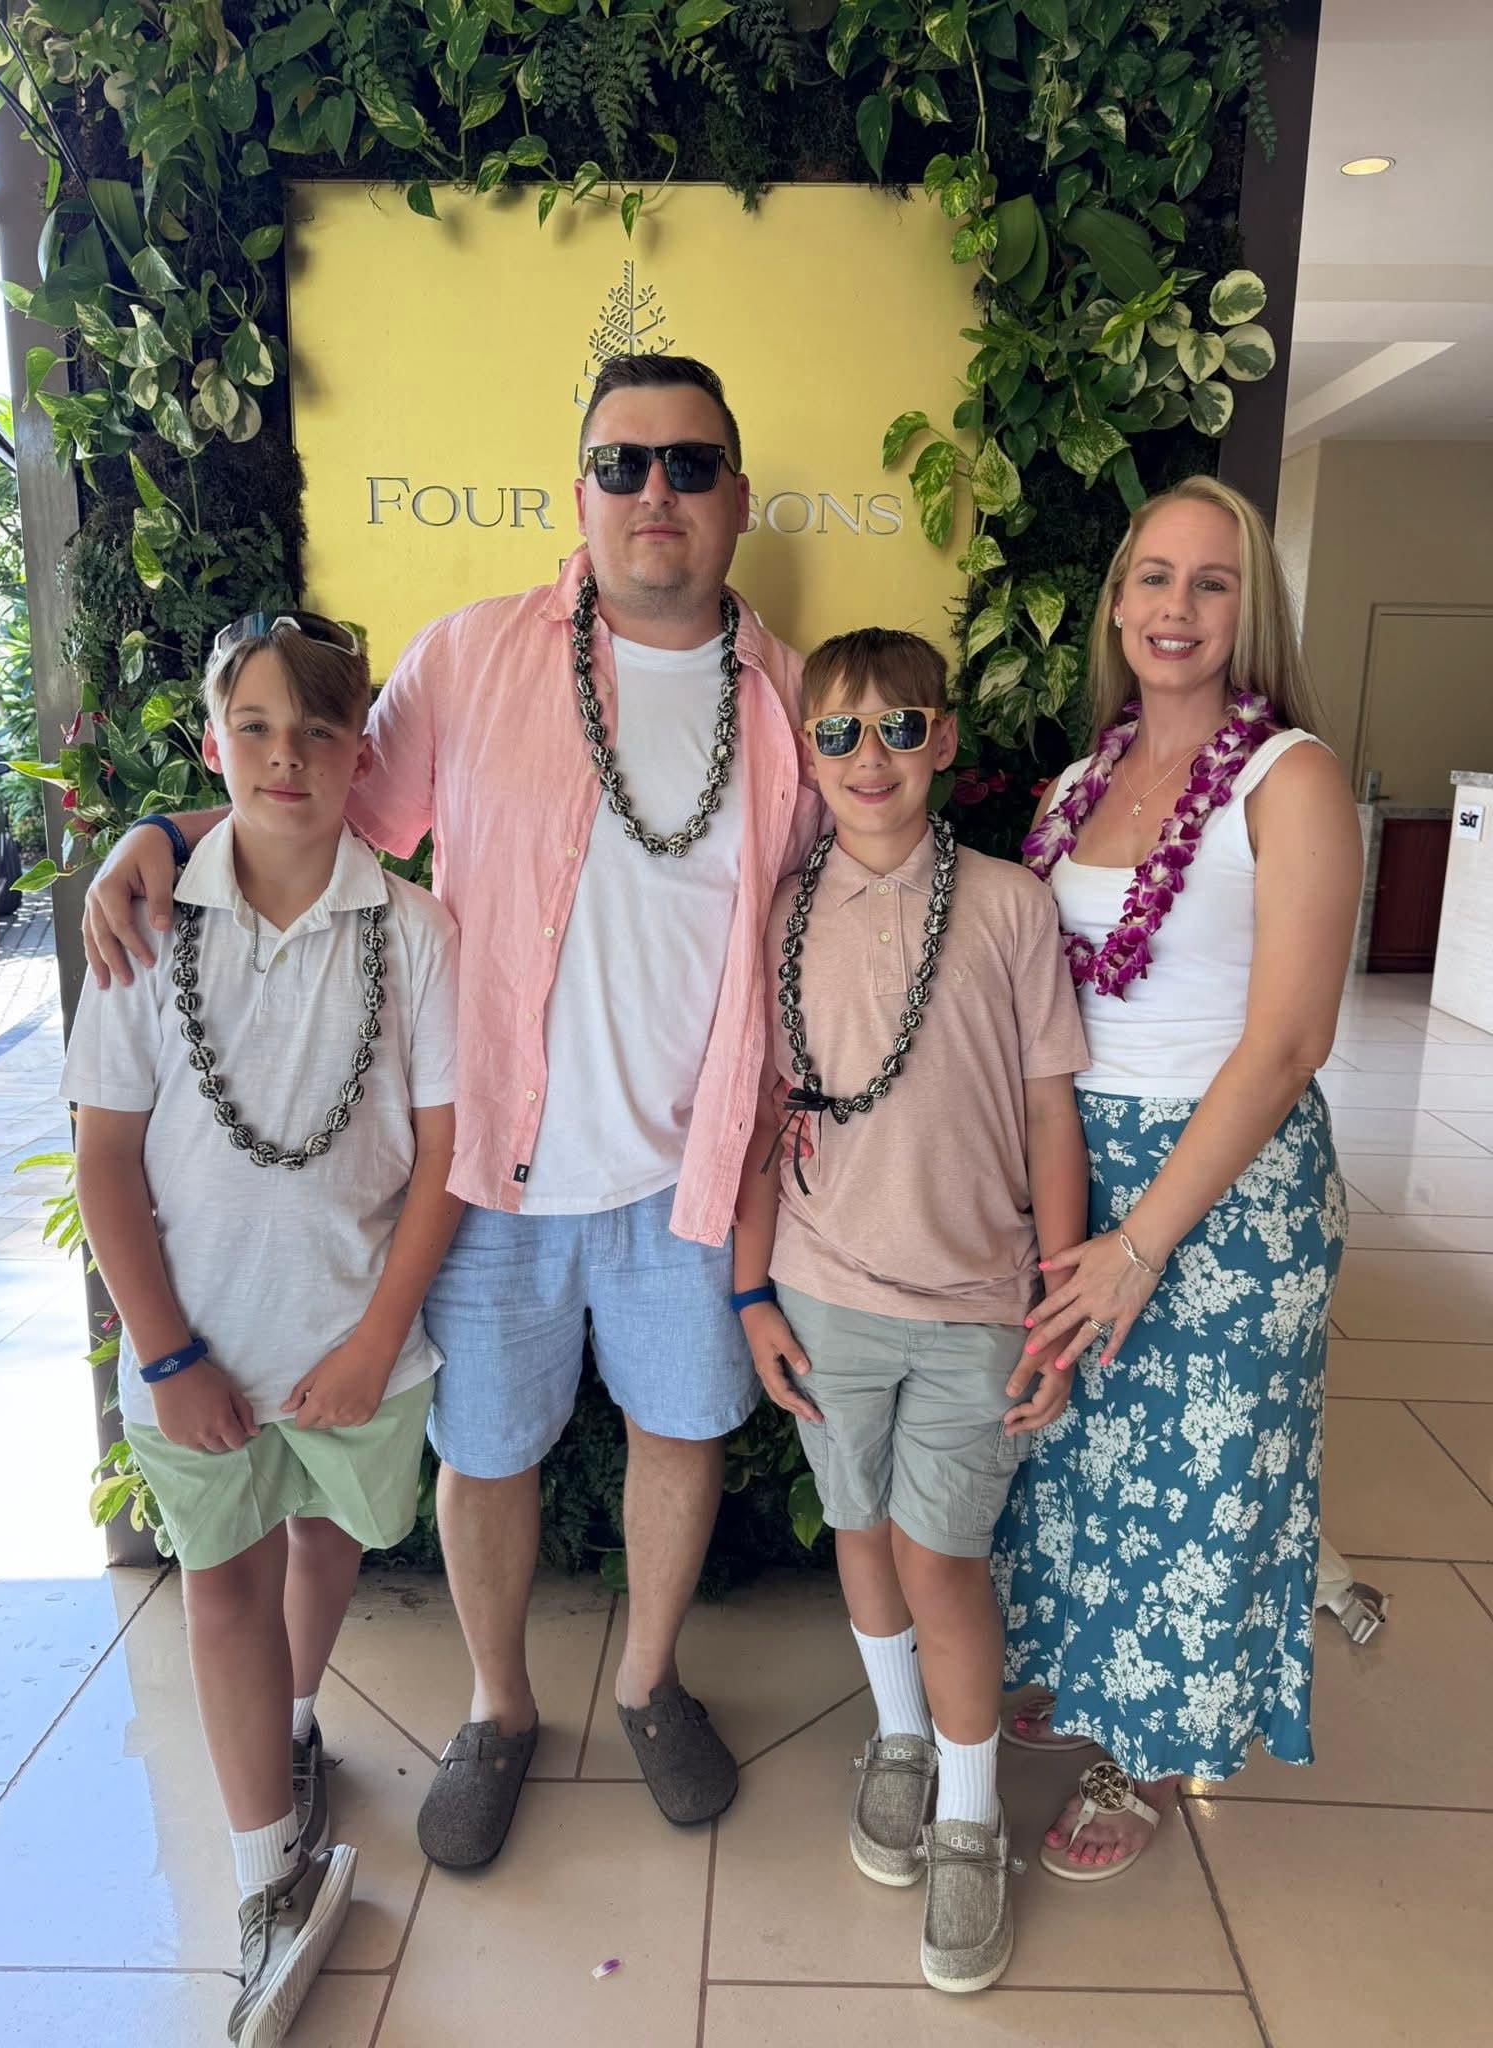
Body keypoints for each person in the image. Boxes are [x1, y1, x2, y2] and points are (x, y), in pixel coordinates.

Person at [80, 356, 823, 1867]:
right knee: (487, 1451)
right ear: (580, 495)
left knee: (680, 1433)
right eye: (621, 465)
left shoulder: (799, 700)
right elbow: (322, 806)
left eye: (689, 464)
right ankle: (497, 1708)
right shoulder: (476, 658)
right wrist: (164, 830)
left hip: (690, 1175)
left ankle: (648, 1679)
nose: (655, 495)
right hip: (490, 1162)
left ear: (738, 496)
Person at [65, 614, 461, 2046]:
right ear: (212, 741)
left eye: (318, 731)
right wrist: (165, 1355)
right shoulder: (146, 926)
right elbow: (106, 1158)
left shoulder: (411, 932)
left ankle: (295, 1724)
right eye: (255, 729)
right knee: (217, 1583)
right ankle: (260, 1879)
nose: (286, 759)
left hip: (354, 1344)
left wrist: (373, 1343)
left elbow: (440, 1153)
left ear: (362, 753)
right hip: (197, 1352)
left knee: (324, 1538)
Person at [992, 475, 1362, 1879]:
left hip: (1228, 1184)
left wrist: (1145, 1241)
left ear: (1248, 609)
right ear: (1117, 602)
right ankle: (1094, 1675)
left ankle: (1143, 1754)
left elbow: (1287, 1043)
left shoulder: (1292, 778)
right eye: (1154, 577)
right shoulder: (1079, 782)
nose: (1176, 608)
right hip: (1089, 1166)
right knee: (1087, 1459)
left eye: (1212, 583)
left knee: (1199, 1478)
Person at [733, 628, 1089, 1992]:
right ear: (807, 757)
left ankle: (966, 1811)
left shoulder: (1007, 906)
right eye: (838, 734)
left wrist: (1056, 1298)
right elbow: (766, 1120)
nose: (868, 758)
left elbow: (1050, 1106)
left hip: (976, 1303)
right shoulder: (785, 917)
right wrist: (751, 1289)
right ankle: (896, 1731)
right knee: (863, 1528)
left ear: (945, 741)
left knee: (946, 1559)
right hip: (826, 1294)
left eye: (899, 728)